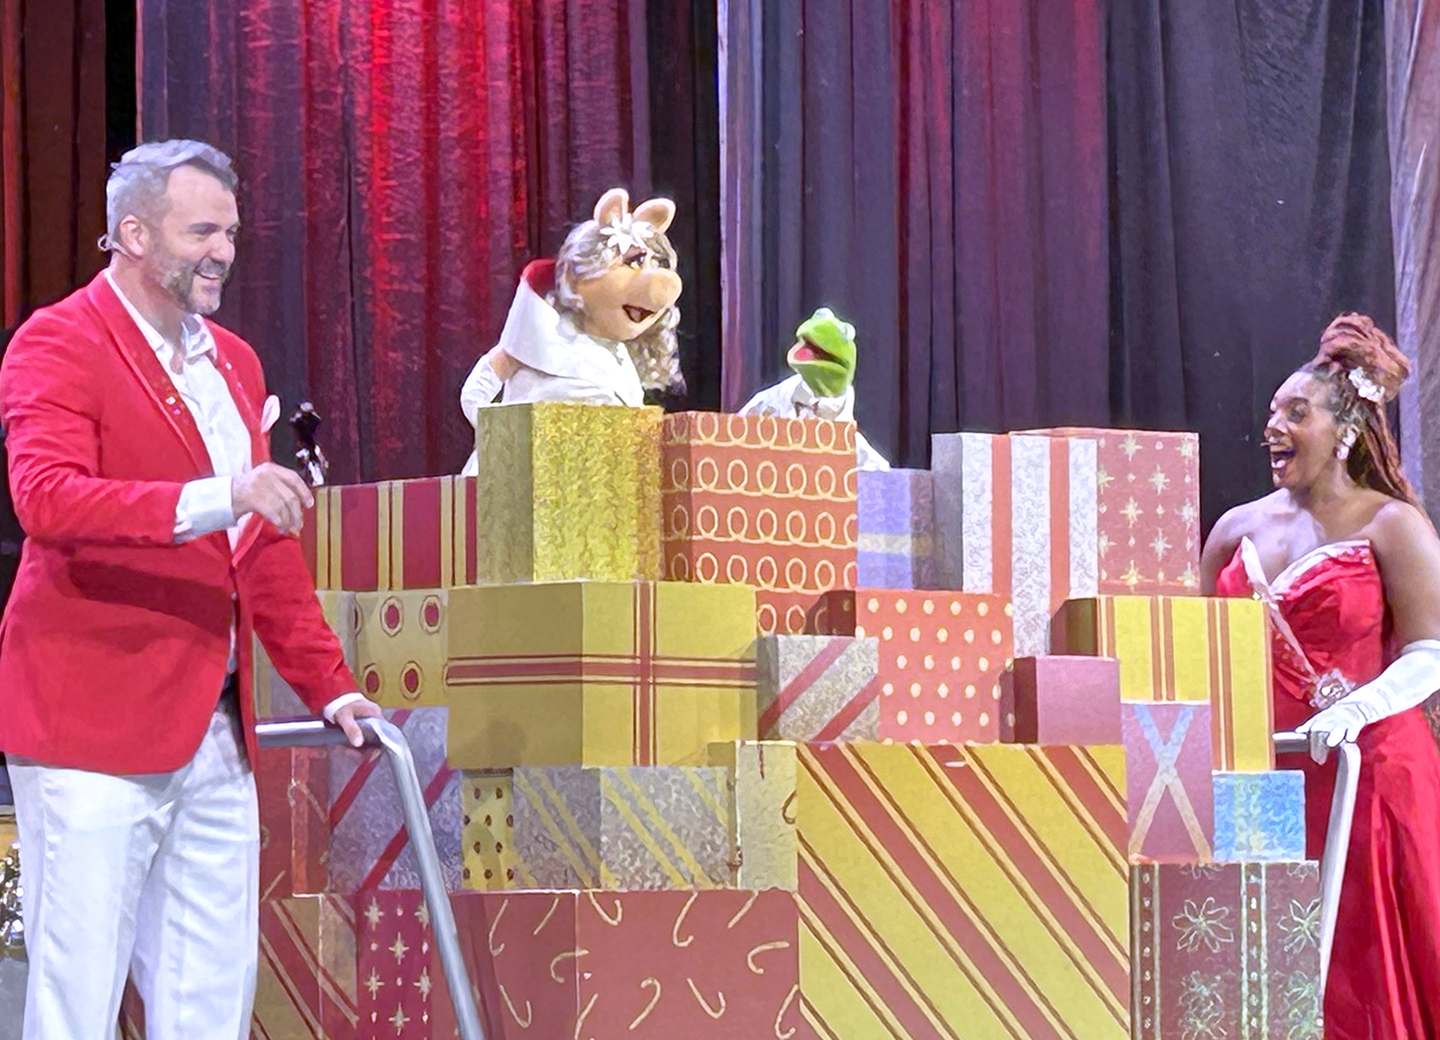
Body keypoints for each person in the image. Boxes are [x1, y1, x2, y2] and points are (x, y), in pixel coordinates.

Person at [0, 140, 384, 1039]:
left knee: (209, 992)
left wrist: (331, 686)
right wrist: (223, 494)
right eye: (201, 230)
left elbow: (262, 548)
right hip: (90, 720)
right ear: (132, 233)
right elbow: (48, 499)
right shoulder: (59, 341)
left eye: (232, 232)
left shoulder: (234, 364)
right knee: (77, 990)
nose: (224, 251)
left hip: (214, 730)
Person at [1200, 313, 1440, 1038]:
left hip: (1368, 772)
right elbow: (1195, 645)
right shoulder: (1235, 529)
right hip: (1261, 772)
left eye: (1295, 413)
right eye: (1272, 413)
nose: (1274, 426)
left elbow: (1430, 652)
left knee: (1356, 956)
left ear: (1342, 431)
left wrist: (1354, 713)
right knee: (1267, 956)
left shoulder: (1392, 525)